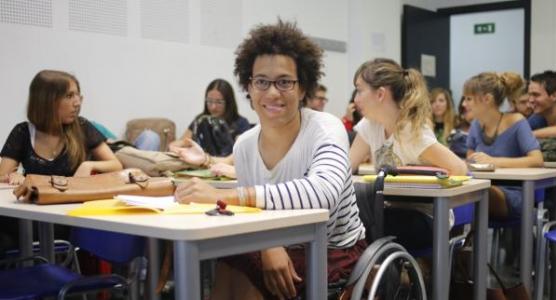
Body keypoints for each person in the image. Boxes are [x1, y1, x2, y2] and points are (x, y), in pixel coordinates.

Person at [172, 20, 366, 299]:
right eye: (261, 81)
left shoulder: (326, 128)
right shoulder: (245, 145)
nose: (272, 92)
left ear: (302, 89)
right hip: (276, 242)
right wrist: (268, 243)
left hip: (333, 251)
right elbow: (257, 214)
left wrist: (220, 196)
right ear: (249, 88)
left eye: (285, 82)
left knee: (244, 272)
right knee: (232, 263)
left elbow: (323, 194)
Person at [348, 58, 467, 250]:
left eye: (360, 90)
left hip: (425, 217)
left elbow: (459, 169)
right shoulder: (370, 126)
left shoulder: (411, 131)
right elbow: (345, 168)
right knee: (350, 223)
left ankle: (387, 275)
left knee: (362, 229)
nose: (356, 99)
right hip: (385, 210)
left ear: (380, 94)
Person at [0, 70, 122, 254]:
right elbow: (3, 175)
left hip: (64, 217)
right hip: (31, 214)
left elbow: (116, 165)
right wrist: (14, 176)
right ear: (47, 101)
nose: (77, 103)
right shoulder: (23, 132)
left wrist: (89, 164)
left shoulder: (81, 127)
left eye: (77, 95)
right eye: (69, 96)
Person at [464, 72, 543, 219]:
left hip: (514, 193)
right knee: (461, 193)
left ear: (487, 99)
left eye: (469, 99)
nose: (464, 104)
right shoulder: (475, 125)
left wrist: (494, 161)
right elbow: (470, 158)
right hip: (482, 186)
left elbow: (537, 160)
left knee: (479, 193)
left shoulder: (517, 121)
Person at [169, 79, 252, 156]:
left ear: (229, 102)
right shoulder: (200, 120)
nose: (213, 107)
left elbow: (241, 154)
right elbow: (181, 143)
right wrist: (175, 145)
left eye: (219, 102)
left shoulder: (241, 123)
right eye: (209, 101)